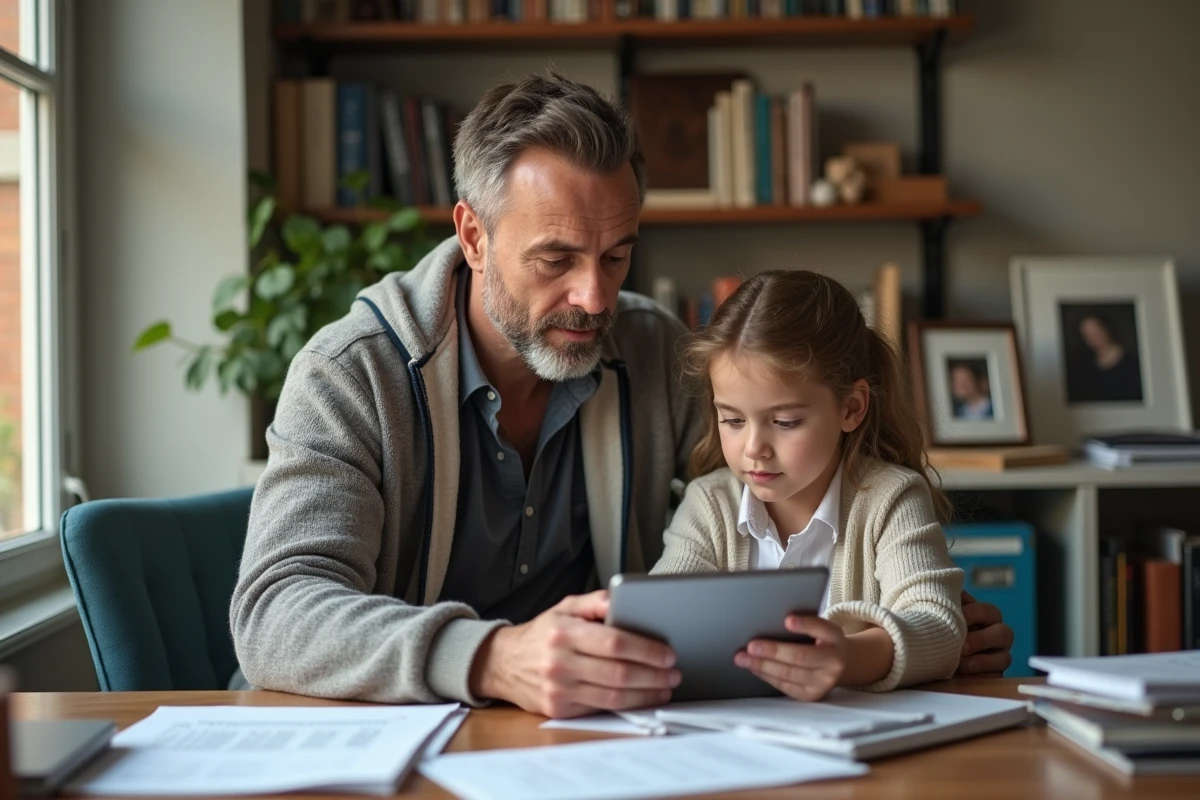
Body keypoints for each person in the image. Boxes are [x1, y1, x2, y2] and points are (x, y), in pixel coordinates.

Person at [230, 71, 1014, 717]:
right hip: (389, 739)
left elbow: (774, 494)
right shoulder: (351, 373)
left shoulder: (649, 347)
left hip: (596, 741)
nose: (596, 297)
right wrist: (493, 658)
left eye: (616, 255)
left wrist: (907, 627)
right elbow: (274, 615)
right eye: (557, 258)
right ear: (473, 237)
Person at [651, 270, 964, 699]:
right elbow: (662, 619)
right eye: (733, 420)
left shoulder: (892, 498)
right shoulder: (708, 504)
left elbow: (941, 628)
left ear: (851, 408)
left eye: (785, 422)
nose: (754, 448)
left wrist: (846, 659)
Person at [1069, 312, 1143, 403]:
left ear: (1107, 329)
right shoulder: (1083, 367)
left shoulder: (1133, 361)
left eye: (1097, 332)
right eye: (1088, 336)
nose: (1093, 339)